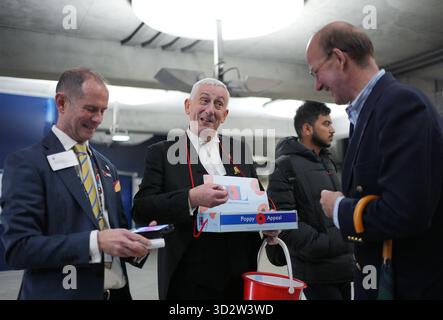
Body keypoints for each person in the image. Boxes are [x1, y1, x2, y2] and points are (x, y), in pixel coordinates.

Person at [306, 22, 443, 299]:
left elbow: (406, 213)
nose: (317, 84)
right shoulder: (368, 114)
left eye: (316, 72)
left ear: (339, 59)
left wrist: (339, 209)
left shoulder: (401, 104)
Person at [1, 68, 151, 299]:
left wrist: (137, 242)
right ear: (61, 103)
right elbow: (19, 248)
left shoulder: (107, 167)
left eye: (102, 110)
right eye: (90, 109)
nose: (98, 119)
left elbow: (114, 230)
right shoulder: (27, 164)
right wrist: (96, 241)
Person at [132, 78, 262, 300]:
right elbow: (142, 208)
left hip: (240, 272)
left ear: (225, 114)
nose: (210, 110)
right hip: (188, 275)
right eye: (204, 100)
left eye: (219, 104)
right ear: (187, 106)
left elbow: (259, 198)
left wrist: (268, 220)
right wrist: (190, 198)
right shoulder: (162, 153)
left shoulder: (239, 150)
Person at [265, 101, 354, 300]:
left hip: (344, 268)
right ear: (307, 128)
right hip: (315, 271)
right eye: (326, 124)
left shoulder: (328, 162)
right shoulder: (284, 166)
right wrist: (324, 243)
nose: (332, 129)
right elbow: (283, 220)